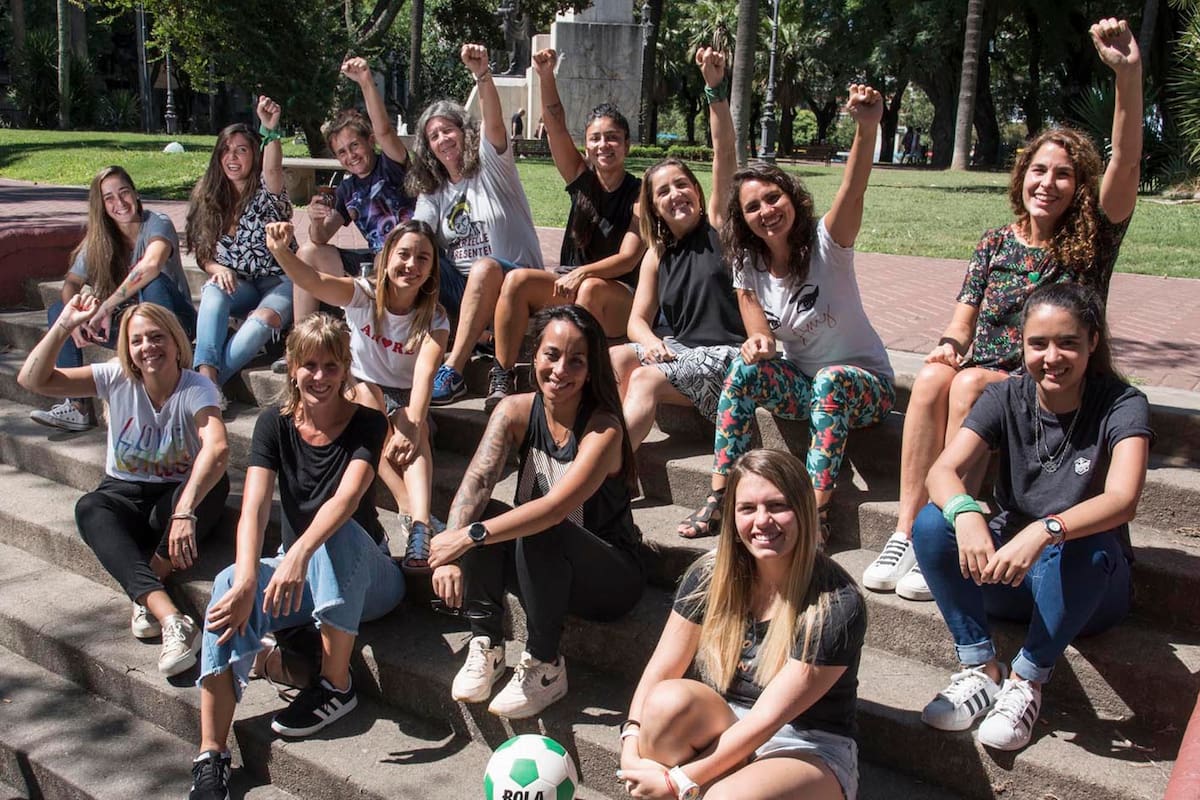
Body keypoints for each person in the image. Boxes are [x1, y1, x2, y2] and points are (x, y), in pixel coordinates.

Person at [863, 18, 1143, 601]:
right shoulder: (995, 242)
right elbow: (962, 319)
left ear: (1081, 185)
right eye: (1039, 170)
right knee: (937, 376)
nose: (1049, 182)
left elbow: (1127, 165)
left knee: (969, 387)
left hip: (1042, 375)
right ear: (1023, 177)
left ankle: (953, 525)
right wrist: (947, 344)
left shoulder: (1092, 240)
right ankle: (909, 530)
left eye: (1064, 174)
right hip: (982, 367)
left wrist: (1127, 77)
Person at [912, 282, 1151, 752]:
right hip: (1010, 576)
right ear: (1021, 344)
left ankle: (1027, 679)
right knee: (930, 524)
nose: (1052, 356)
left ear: (1093, 344)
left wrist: (1048, 529)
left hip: (1088, 585)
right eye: (1038, 343)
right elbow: (943, 471)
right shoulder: (1007, 397)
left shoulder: (1122, 404)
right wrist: (964, 513)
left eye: (1068, 342)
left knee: (1089, 543)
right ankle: (981, 668)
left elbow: (1123, 499)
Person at [187, 314, 404, 800]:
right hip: (299, 569)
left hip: (368, 575)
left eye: (331, 366)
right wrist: (247, 580)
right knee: (224, 585)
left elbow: (346, 499)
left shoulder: (368, 422)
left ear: (346, 368)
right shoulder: (274, 424)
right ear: (292, 369)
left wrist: (298, 551)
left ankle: (336, 686)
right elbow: (255, 508)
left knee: (336, 532)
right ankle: (211, 755)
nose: (320, 377)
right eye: (309, 365)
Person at [680, 82, 894, 543]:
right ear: (744, 220)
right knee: (743, 369)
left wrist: (867, 127)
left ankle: (816, 511)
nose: (766, 211)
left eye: (773, 198)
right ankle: (720, 496)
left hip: (865, 388)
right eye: (753, 207)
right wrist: (757, 345)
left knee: (830, 380)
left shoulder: (827, 242)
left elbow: (854, 188)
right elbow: (761, 337)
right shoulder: (747, 264)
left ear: (792, 197)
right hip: (804, 389)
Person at [428, 305, 645, 720]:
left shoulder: (603, 429)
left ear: (591, 368)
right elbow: (476, 483)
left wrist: (468, 537)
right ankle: (487, 644)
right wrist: (450, 549)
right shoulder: (513, 411)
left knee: (534, 523)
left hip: (609, 578)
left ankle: (546, 663)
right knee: (486, 513)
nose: (561, 369)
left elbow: (554, 507)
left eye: (576, 360)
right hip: (543, 568)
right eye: (551, 354)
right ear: (535, 354)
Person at [619, 449, 866, 800]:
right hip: (728, 721)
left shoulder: (835, 602)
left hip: (805, 745)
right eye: (747, 508)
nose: (762, 520)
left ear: (804, 511)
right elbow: (662, 669)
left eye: (777, 506)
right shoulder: (711, 576)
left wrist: (677, 781)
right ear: (732, 516)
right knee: (664, 703)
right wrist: (631, 743)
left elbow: (767, 719)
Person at [18, 299, 229, 678]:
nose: (147, 347)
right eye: (137, 340)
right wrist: (64, 325)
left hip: (173, 499)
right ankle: (172, 619)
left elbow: (217, 446)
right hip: (125, 494)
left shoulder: (197, 387)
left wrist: (184, 511)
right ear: (127, 349)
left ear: (176, 342)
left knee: (214, 483)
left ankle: (145, 585)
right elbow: (33, 380)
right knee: (89, 508)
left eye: (156, 337)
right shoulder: (116, 376)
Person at [265, 219, 449, 566]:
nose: (411, 265)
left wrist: (412, 422)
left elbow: (425, 373)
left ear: (432, 269)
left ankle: (419, 527)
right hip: (354, 388)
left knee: (416, 424)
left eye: (423, 258)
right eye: (404, 254)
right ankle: (408, 507)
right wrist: (281, 252)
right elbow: (314, 282)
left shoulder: (435, 318)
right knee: (367, 400)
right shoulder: (363, 294)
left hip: (405, 395)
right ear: (386, 257)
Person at [479, 47, 644, 411]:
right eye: (596, 138)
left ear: (627, 145)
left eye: (613, 137)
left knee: (591, 289)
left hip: (617, 296)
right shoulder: (580, 179)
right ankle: (503, 375)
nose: (604, 145)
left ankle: (582, 387)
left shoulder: (639, 192)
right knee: (518, 280)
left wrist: (583, 273)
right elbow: (554, 122)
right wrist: (546, 76)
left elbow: (629, 256)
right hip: (573, 285)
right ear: (586, 144)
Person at [609, 47, 745, 461]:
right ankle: (592, 450)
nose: (675, 194)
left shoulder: (720, 227)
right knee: (614, 357)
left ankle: (606, 477)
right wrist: (649, 342)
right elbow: (636, 320)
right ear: (654, 207)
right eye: (663, 191)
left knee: (646, 381)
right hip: (680, 351)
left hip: (729, 357)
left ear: (698, 193)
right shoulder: (658, 252)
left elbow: (724, 152)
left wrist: (714, 90)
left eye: (682, 184)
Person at [413, 43, 543, 407]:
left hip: (516, 282)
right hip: (465, 290)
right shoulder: (435, 190)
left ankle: (452, 369)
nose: (442, 140)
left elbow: (495, 122)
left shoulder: (492, 166)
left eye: (448, 130)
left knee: (485, 268)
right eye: (433, 136)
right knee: (410, 257)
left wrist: (482, 74)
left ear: (465, 131)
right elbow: (419, 232)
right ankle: (399, 353)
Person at [30, 166, 196, 432]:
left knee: (153, 283)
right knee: (60, 310)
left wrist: (106, 306)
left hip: (175, 322)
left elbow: (150, 265)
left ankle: (170, 383)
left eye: (124, 193)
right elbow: (72, 282)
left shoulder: (157, 223)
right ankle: (77, 407)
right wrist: (76, 319)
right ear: (102, 206)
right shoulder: (100, 239)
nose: (120, 203)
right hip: (130, 327)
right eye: (109, 198)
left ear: (136, 194)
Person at [288, 57, 416, 327]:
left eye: (354, 146)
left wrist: (366, 82)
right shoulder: (347, 189)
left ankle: (361, 326)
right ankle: (300, 341)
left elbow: (384, 130)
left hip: (410, 255)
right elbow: (321, 237)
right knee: (308, 252)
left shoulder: (392, 165)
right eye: (342, 153)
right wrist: (314, 218)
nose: (351, 156)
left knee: (386, 255)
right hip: (374, 262)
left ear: (370, 142)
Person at [187, 97, 295, 395]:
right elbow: (203, 253)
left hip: (280, 281)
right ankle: (207, 375)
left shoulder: (266, 191)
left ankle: (203, 389)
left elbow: (274, 170)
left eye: (242, 150)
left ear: (255, 156)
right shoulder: (208, 196)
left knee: (262, 323)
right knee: (213, 289)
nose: (232, 157)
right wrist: (216, 267)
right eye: (226, 150)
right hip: (240, 284)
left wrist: (269, 130)